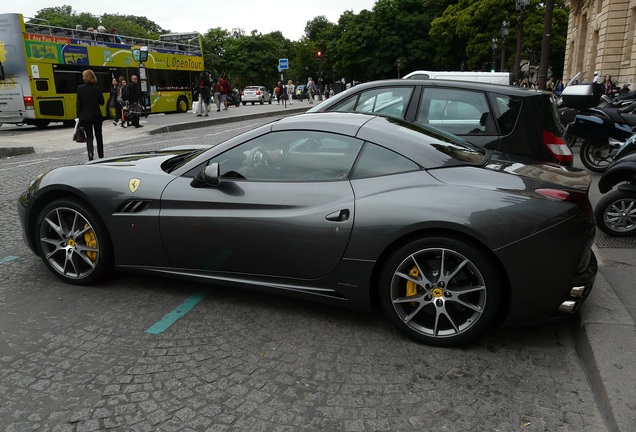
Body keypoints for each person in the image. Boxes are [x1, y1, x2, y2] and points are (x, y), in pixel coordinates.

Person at [76, 69, 105, 161]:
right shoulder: (97, 89)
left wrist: (78, 117)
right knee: (99, 135)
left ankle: (91, 155)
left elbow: (79, 104)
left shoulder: (80, 88)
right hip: (96, 116)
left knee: (89, 137)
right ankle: (101, 155)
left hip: (85, 116)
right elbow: (102, 103)